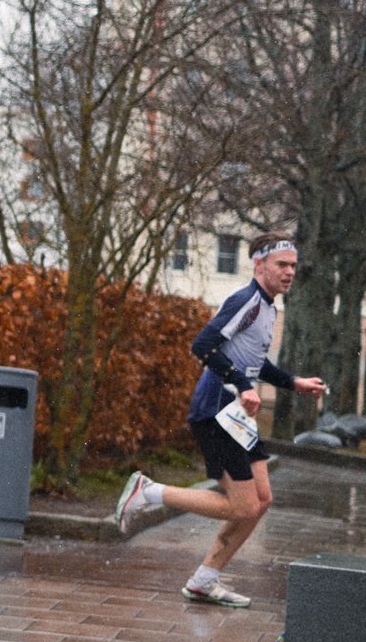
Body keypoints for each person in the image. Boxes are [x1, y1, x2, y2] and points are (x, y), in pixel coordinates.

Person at [112, 237, 327, 607]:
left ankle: (204, 580)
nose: (290, 272)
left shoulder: (268, 307)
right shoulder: (245, 301)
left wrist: (293, 382)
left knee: (261, 501)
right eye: (282, 265)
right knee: (242, 506)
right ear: (260, 266)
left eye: (293, 265)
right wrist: (243, 385)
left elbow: (255, 364)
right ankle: (147, 492)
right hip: (216, 413)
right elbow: (202, 346)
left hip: (237, 417)